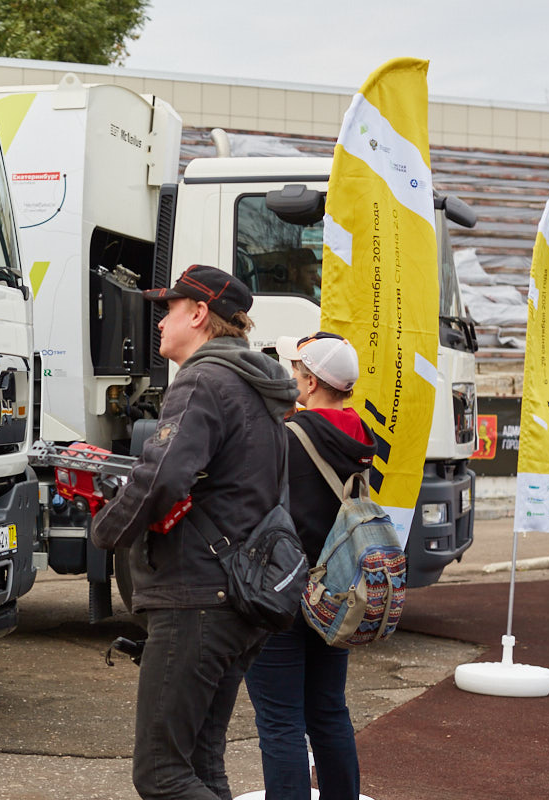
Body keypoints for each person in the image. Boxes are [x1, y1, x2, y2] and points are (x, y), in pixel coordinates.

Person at [91, 264, 298, 800]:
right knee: (201, 763)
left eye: (170, 309)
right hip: (240, 598)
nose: (160, 322)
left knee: (161, 774)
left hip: (197, 598)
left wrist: (106, 529)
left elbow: (162, 475)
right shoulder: (259, 389)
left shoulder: (202, 379)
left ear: (200, 314)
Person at [244, 332, 376, 800]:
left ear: (313, 381)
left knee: (280, 721)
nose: (289, 377)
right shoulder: (360, 437)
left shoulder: (288, 438)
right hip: (334, 592)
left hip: (279, 593)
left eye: (295, 370)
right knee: (328, 711)